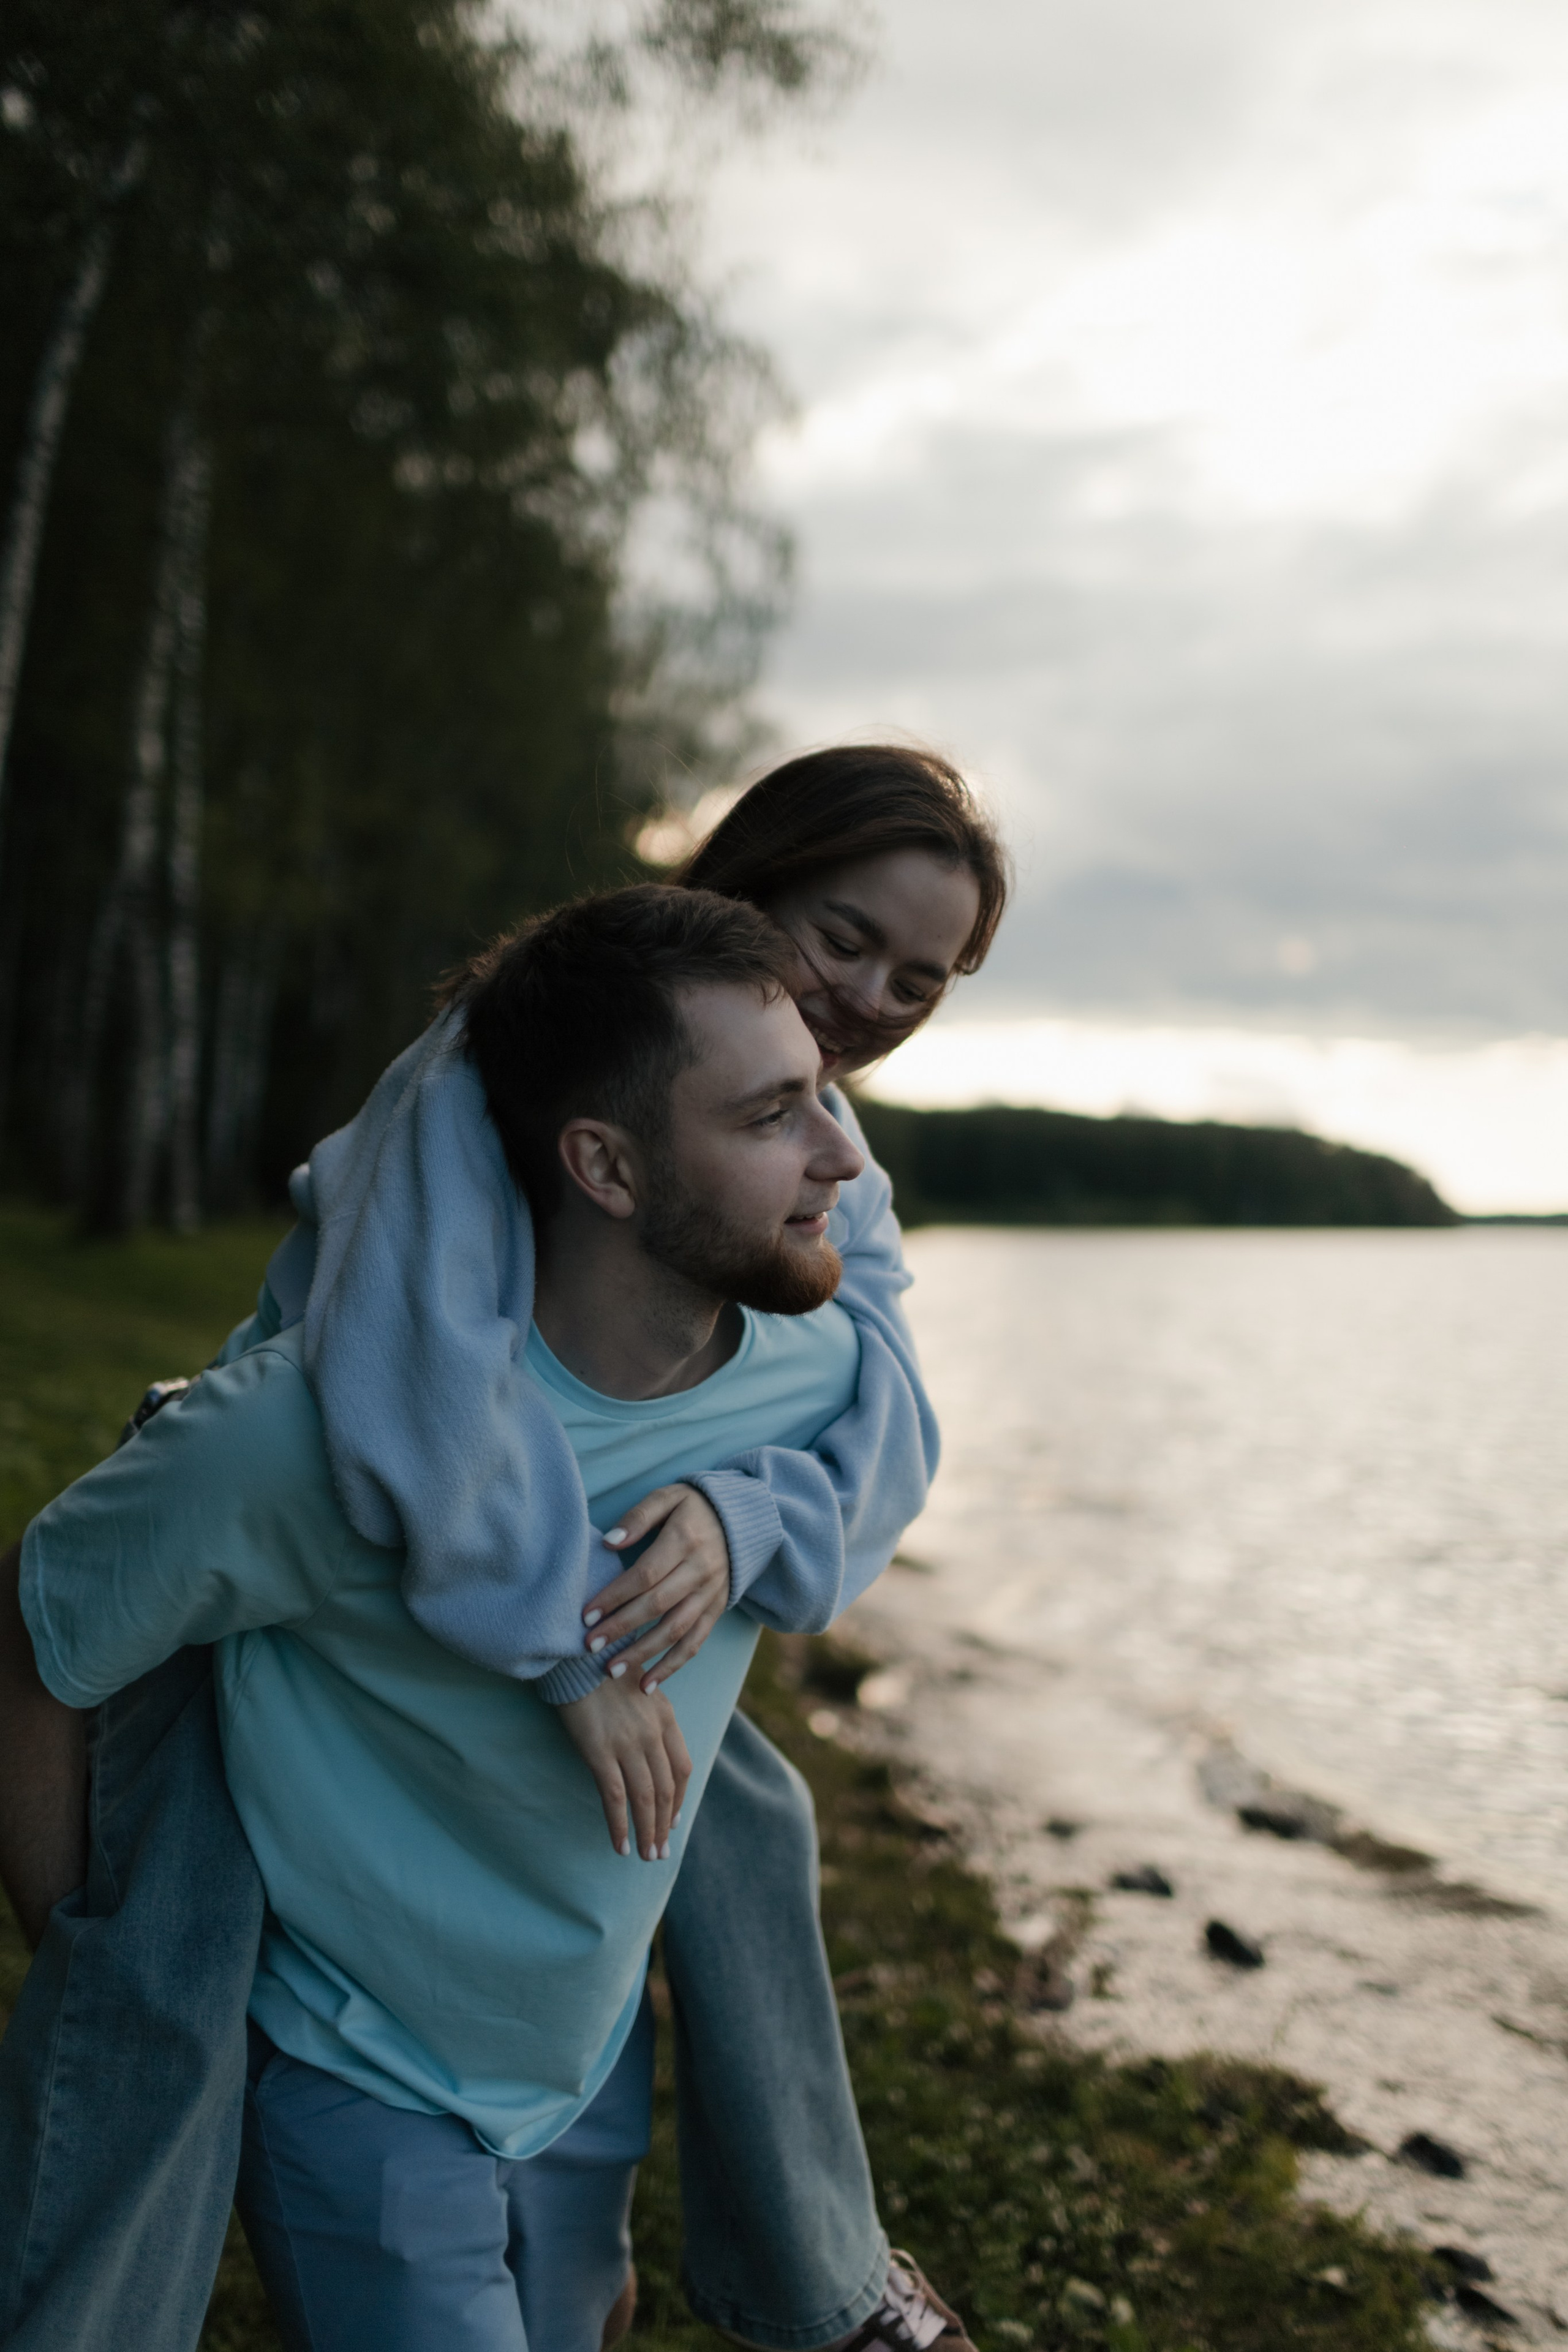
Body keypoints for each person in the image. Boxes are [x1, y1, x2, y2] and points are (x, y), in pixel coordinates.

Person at [0, 744, 1008, 2352]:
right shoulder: (480, 1084)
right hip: (280, 1543)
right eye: (845, 939)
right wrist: (556, 1642)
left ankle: (816, 2262)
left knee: (741, 1816)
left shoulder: (815, 1163)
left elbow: (881, 1411)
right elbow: (414, 1383)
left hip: (494, 1643)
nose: (876, 1001)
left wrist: (753, 1516)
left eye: (924, 978)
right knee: (157, 1984)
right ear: (730, 890)